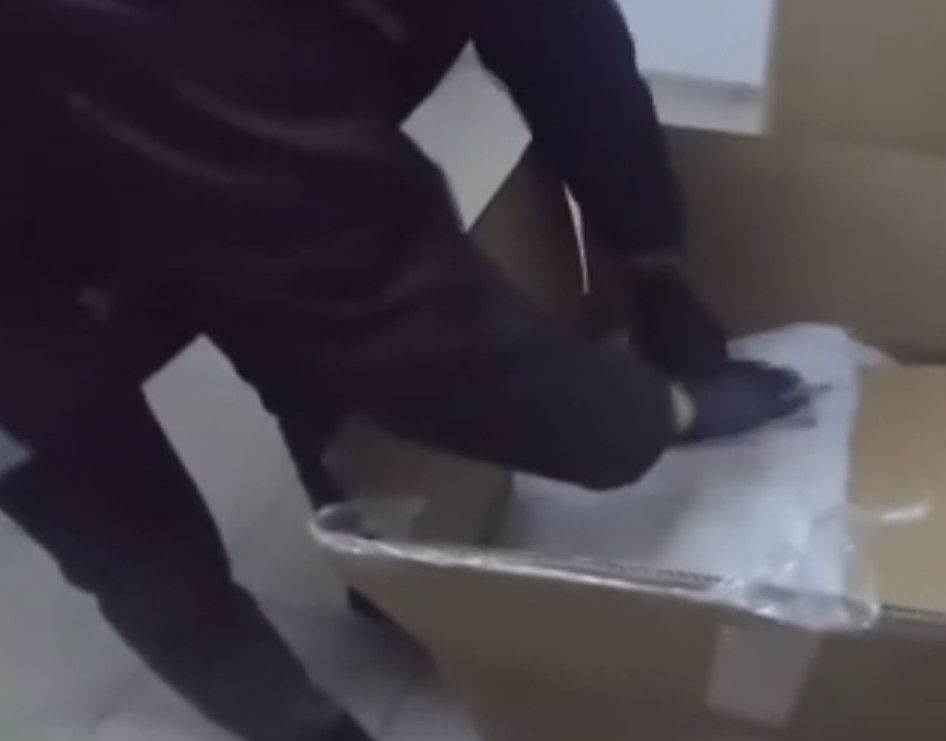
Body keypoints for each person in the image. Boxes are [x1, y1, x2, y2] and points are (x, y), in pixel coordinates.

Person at [0, 2, 807, 740]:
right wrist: (656, 414)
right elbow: (391, 307)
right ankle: (293, 721)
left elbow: (565, 42)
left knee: (307, 351)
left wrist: (651, 254)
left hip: (159, 119)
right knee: (118, 517)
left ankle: (385, 575)